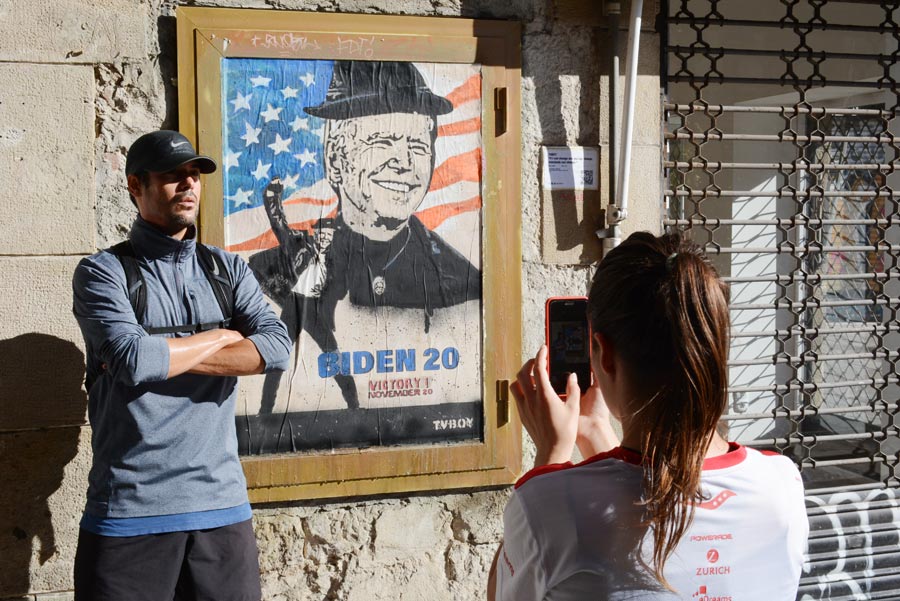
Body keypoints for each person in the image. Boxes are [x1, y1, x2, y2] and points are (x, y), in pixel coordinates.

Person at [488, 232, 808, 600]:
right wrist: (595, 431)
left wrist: (551, 456)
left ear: (604, 354)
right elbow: (654, 491)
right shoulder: (782, 484)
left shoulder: (549, 505)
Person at [72, 130, 292, 601]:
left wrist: (164, 354)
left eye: (194, 174)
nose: (188, 184)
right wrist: (221, 336)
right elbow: (133, 360)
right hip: (130, 516)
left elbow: (276, 348)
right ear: (136, 185)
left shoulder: (226, 270)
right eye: (173, 175)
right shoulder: (103, 273)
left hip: (222, 512)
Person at [249, 60, 481, 413]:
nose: (404, 162)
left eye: (418, 146)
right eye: (383, 141)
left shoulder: (460, 281)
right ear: (335, 160)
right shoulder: (269, 275)